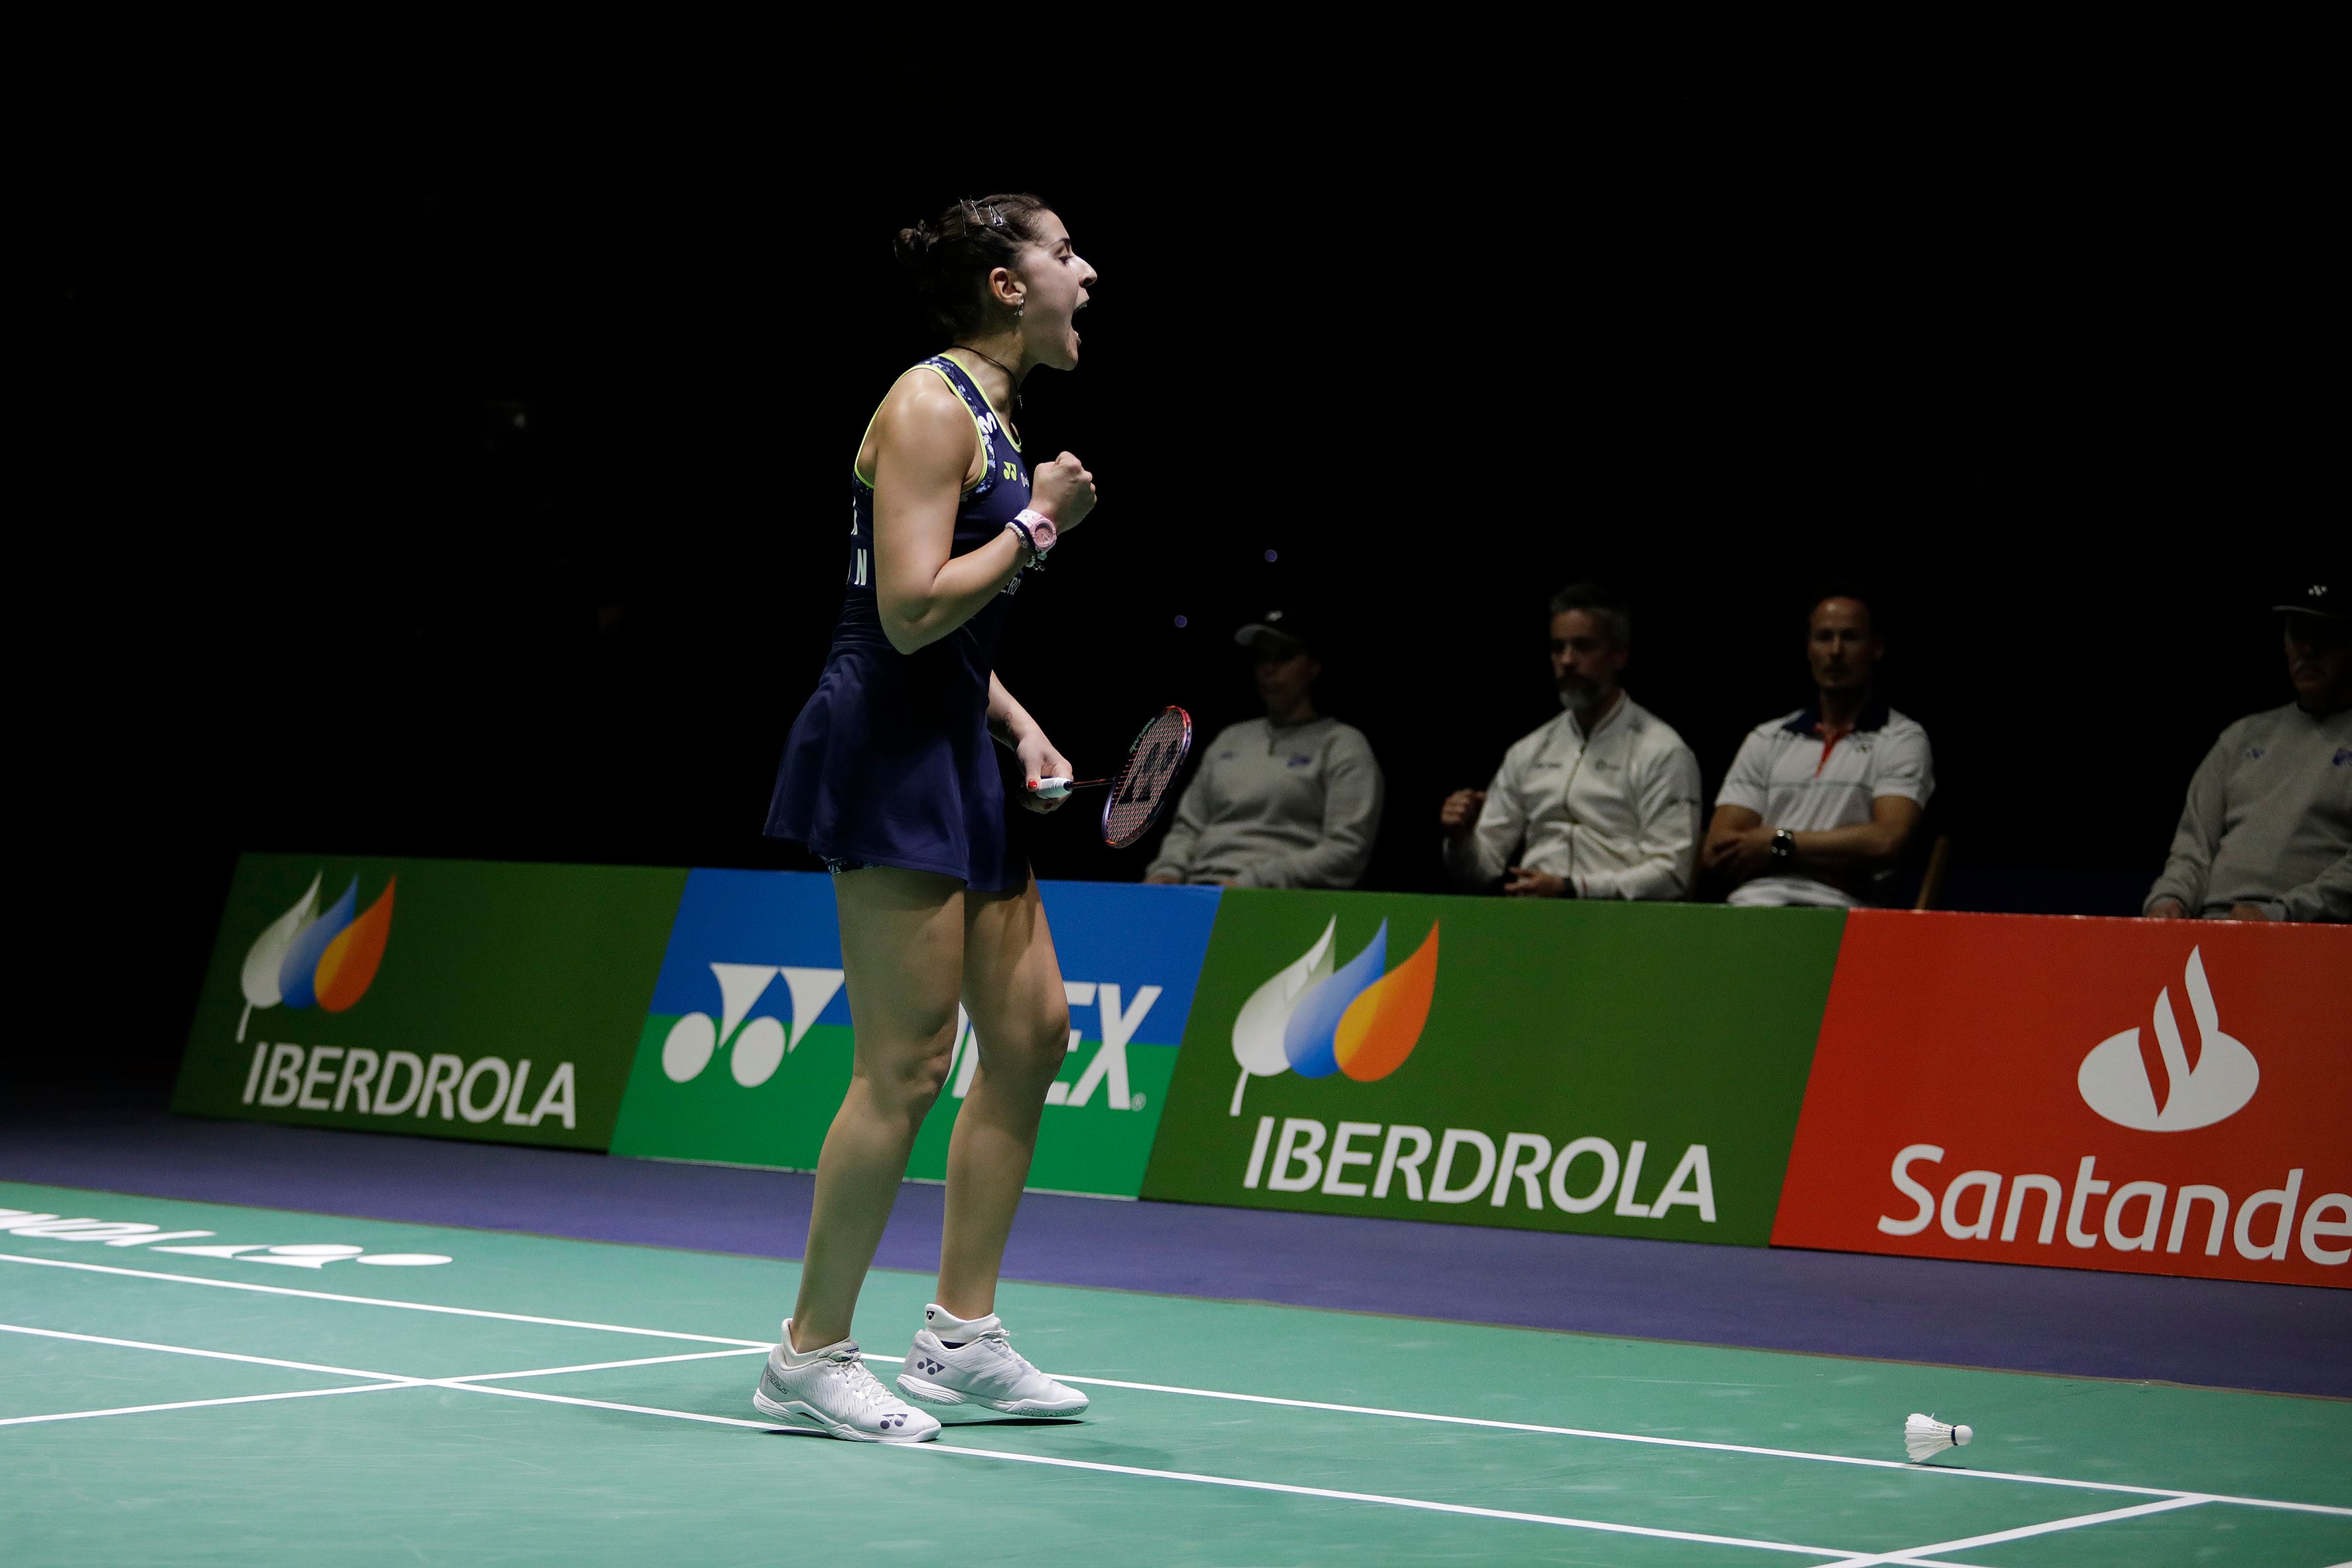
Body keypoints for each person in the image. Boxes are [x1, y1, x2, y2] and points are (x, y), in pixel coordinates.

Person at [756, 195, 1098, 1443]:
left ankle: (959, 1332)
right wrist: (1043, 522)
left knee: (1033, 1033)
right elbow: (903, 610)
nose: (1085, 272)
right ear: (1006, 287)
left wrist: (1018, 723)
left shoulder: (1001, 417)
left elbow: (949, 627)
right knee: (903, 1062)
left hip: (950, 734)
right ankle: (808, 1352)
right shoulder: (925, 407)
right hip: (884, 748)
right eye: (1063, 253)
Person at [1441, 583, 1701, 899]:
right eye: (1558, 648)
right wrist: (1461, 839)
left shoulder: (1662, 750)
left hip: (1621, 926)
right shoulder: (1529, 750)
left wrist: (1572, 888)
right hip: (1534, 918)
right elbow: (1480, 874)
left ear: (1619, 655)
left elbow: (1673, 874)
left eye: (1583, 646)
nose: (1567, 661)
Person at [1702, 588, 1933, 906]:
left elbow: (1886, 841)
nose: (1836, 651)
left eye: (1850, 637)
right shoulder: (1768, 738)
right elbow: (1718, 849)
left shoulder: (1902, 738)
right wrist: (1840, 856)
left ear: (1876, 648)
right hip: (1752, 907)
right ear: (1809, 649)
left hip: (1842, 911)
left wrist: (1775, 844)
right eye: (1824, 637)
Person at [2144, 578, 2351, 922]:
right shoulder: (2241, 737)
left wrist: (2278, 915)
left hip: (2312, 940)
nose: (2309, 650)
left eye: (2327, 635)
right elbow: (2194, 846)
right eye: (2298, 633)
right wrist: (2169, 900)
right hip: (2215, 930)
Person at [1144, 610, 1383, 888]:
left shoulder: (1343, 744)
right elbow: (1189, 826)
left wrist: (1253, 882)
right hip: (1197, 892)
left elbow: (1346, 851)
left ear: (1314, 665)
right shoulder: (1229, 739)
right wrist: (1167, 871)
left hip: (1278, 904)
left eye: (1284, 656)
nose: (1269, 668)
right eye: (1262, 657)